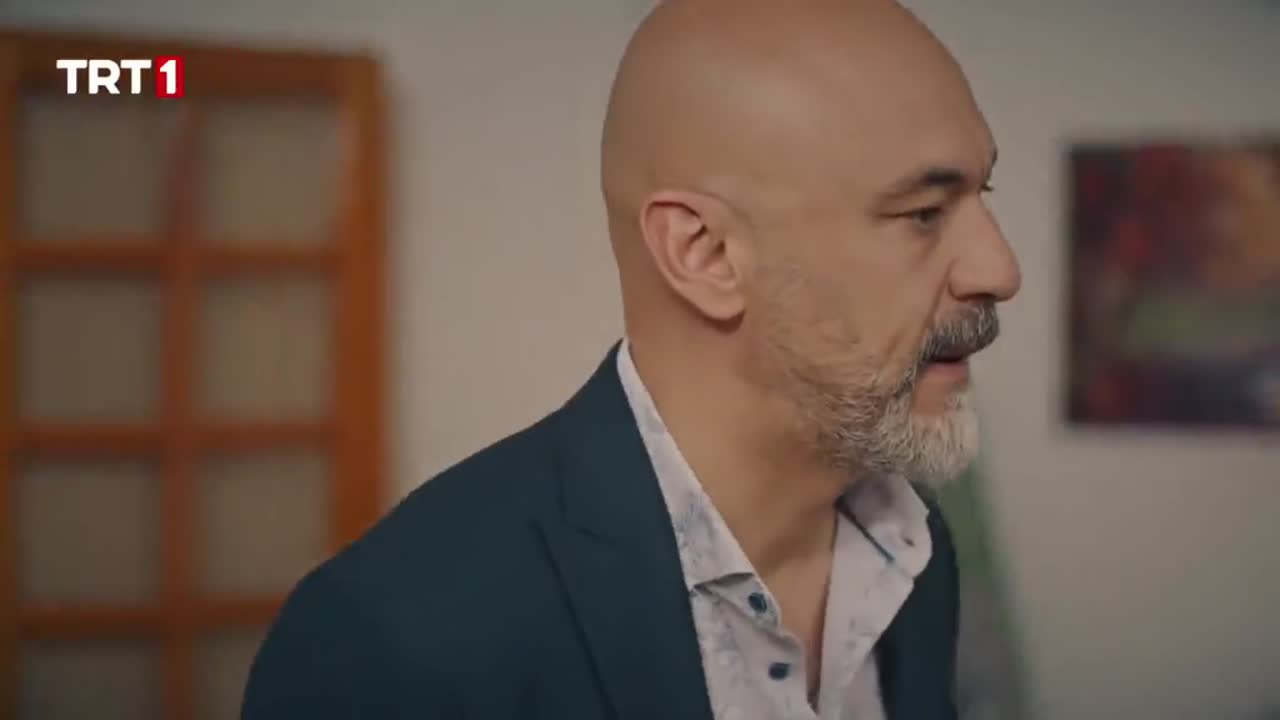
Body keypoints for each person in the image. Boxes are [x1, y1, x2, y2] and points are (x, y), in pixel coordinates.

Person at [241, 0, 1021, 717]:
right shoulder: (398, 638)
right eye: (924, 213)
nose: (1001, 269)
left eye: (982, 196)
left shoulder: (915, 553)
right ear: (706, 254)